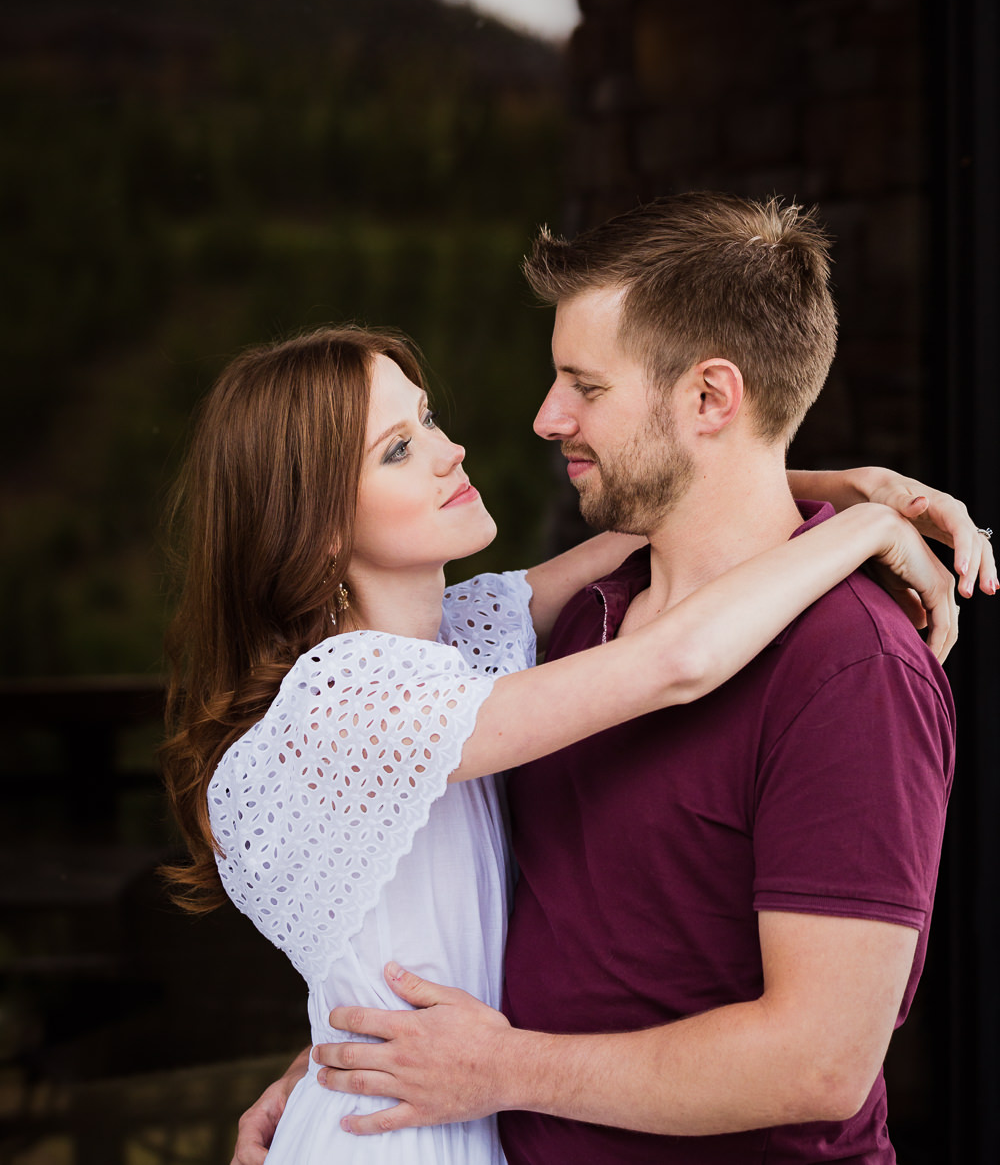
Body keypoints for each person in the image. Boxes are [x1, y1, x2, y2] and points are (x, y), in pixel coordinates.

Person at [162, 315, 964, 1165]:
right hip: (395, 1137)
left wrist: (833, 486)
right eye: (397, 450)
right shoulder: (349, 702)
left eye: (427, 419)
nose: (450, 451)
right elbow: (676, 660)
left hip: (450, 1105)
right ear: (317, 529)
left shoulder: (459, 639)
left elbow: (671, 518)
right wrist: (861, 531)